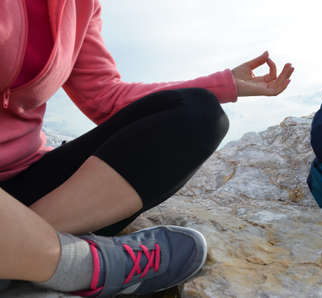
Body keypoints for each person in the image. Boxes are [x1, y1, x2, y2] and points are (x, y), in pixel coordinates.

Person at [0, 0, 294, 297]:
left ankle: (22, 249)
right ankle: (81, 264)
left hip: (26, 186)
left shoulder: (80, 5)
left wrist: (224, 84)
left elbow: (105, 96)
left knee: (196, 115)